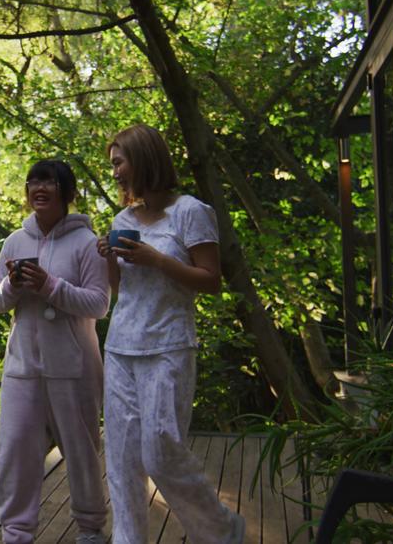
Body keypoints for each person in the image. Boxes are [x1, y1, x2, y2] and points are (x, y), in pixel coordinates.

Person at [97, 124, 245, 544]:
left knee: (160, 451)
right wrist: (109, 257)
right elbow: (122, 290)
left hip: (168, 346)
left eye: (119, 162)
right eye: (112, 165)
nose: (115, 173)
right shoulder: (122, 219)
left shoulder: (191, 212)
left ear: (143, 158)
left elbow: (211, 280)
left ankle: (220, 529)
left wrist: (156, 258)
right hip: (122, 346)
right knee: (123, 460)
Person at [0, 158, 110, 544]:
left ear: (67, 193)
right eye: (33, 182)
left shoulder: (87, 243)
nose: (39, 189)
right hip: (22, 368)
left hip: (73, 367)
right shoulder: (14, 241)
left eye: (49, 182)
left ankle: (90, 530)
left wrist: (50, 286)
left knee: (82, 453)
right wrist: (11, 286)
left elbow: (99, 304)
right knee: (14, 455)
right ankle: (16, 533)